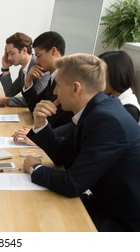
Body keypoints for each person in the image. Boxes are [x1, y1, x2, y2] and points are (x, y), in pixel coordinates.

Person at [23, 53, 140, 231]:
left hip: (122, 220)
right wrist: (41, 124)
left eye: (59, 86)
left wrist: (35, 169)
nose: (55, 92)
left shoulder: (106, 120)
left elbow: (73, 184)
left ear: (76, 88)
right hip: (105, 203)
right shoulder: (96, 109)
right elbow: (63, 155)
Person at [12, 31, 74, 145]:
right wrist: (28, 81)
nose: (37, 61)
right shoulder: (52, 78)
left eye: (39, 55)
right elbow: (35, 108)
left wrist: (37, 135)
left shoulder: (67, 79)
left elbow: (57, 120)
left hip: (61, 143)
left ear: (53, 51)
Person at [0, 32, 50, 107]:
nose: (8, 58)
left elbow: (34, 100)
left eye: (12, 53)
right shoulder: (23, 70)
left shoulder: (42, 68)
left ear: (24, 51)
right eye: (8, 54)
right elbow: (10, 93)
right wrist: (5, 68)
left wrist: (4, 100)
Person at [99, 50, 140, 122]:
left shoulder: (129, 109)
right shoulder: (110, 96)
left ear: (115, 75)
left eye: (100, 73)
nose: (97, 78)